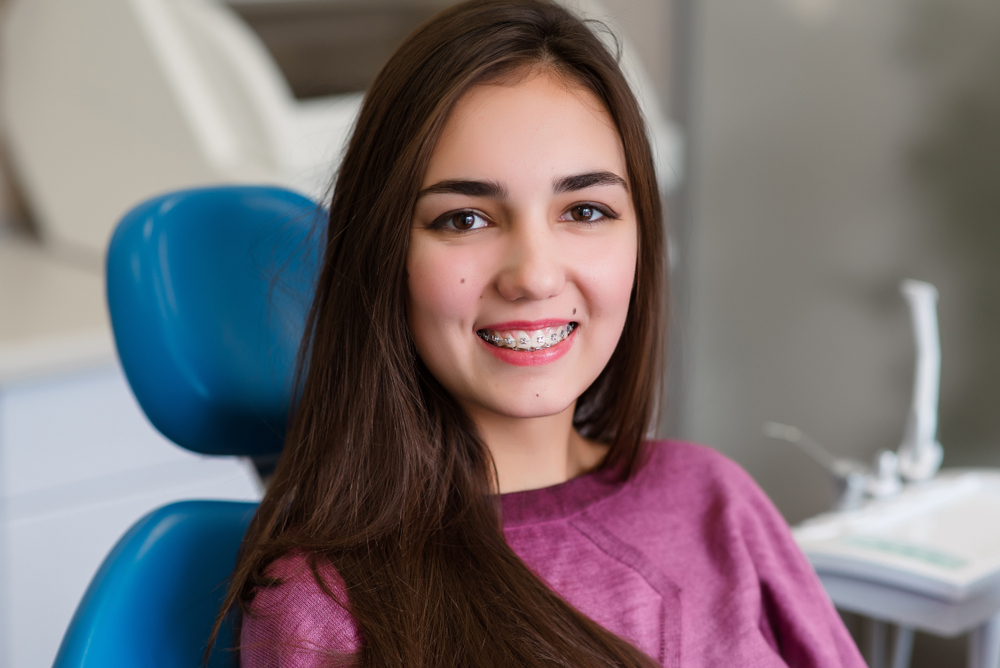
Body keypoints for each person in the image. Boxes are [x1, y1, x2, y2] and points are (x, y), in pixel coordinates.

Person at [216, 1, 867, 666]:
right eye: (465, 219)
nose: (534, 276)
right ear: (384, 256)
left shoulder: (713, 499)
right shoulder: (324, 608)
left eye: (585, 210)